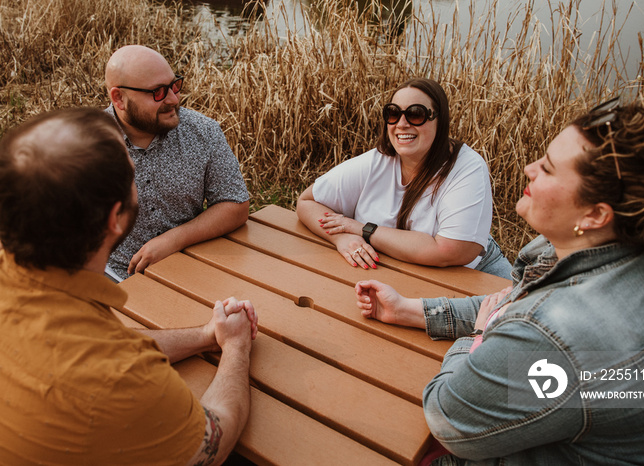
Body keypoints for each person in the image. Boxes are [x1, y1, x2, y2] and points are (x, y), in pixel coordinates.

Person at [354, 97, 644, 464]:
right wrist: (408, 310)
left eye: (548, 169)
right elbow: (510, 307)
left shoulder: (558, 334)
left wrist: (479, 337)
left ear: (596, 214)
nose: (529, 167)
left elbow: (449, 418)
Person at [0, 108, 258, 465]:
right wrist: (235, 348)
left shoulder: (18, 277)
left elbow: (112, 346)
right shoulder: (123, 383)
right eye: (132, 174)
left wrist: (205, 334)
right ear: (114, 218)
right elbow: (213, 441)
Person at [296, 77, 512, 278]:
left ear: (440, 119)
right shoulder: (377, 161)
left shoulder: (467, 168)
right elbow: (307, 201)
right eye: (393, 113)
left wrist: (361, 229)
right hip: (392, 273)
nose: (401, 124)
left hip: (470, 276)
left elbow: (451, 252)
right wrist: (342, 237)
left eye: (415, 114)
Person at [104, 45, 249, 281]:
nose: (173, 99)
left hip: (191, 266)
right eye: (158, 92)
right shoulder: (86, 145)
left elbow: (235, 204)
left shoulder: (203, 131)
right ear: (119, 98)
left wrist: (174, 239)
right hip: (112, 275)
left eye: (174, 85)